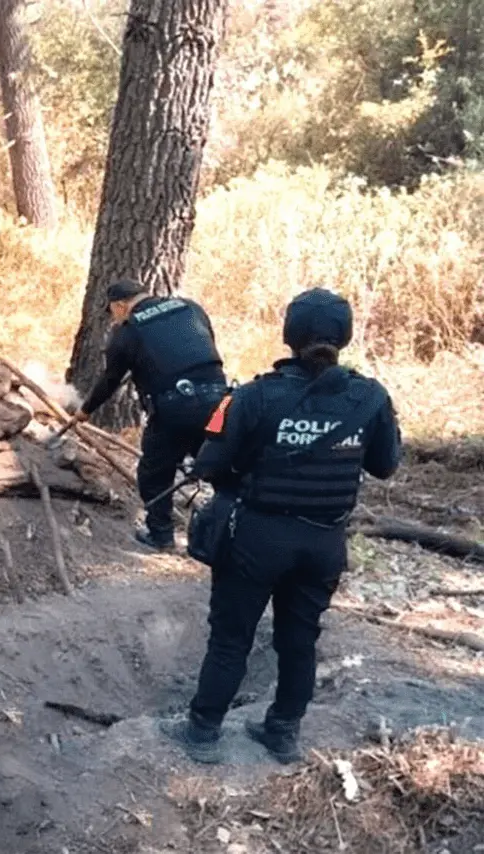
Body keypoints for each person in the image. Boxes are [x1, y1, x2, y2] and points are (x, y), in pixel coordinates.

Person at [159, 287, 403, 765]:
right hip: (324, 540)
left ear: (289, 335)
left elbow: (211, 463)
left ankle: (203, 731)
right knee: (300, 637)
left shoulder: (254, 395)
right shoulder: (370, 398)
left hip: (257, 537)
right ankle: (283, 732)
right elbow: (385, 466)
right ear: (345, 337)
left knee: (232, 636)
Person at [76, 279, 228, 550]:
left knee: (155, 471)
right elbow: (206, 345)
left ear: (121, 305)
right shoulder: (190, 307)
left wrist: (86, 410)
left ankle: (161, 535)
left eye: (111, 311)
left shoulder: (128, 332)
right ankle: (229, 532)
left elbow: (110, 379)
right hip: (219, 401)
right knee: (220, 467)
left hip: (173, 408)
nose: (112, 318)